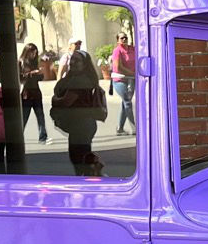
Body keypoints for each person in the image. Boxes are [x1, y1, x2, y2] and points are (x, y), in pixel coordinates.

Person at [50, 42, 106, 176]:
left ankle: (90, 178)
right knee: (82, 156)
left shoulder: (80, 81)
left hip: (82, 125)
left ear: (84, 64)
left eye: (77, 60)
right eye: (72, 59)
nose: (73, 62)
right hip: (81, 125)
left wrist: (54, 100)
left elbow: (65, 101)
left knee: (78, 158)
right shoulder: (73, 78)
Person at [108, 31, 137, 135]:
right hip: (120, 80)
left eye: (125, 38)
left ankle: (120, 128)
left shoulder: (133, 49)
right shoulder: (117, 51)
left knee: (125, 104)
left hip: (132, 79)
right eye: (121, 38)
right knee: (128, 102)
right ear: (117, 40)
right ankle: (134, 127)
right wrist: (133, 73)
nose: (124, 40)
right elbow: (118, 67)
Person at [19, 43, 48, 143]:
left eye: (35, 53)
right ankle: (19, 136)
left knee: (40, 115)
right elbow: (20, 77)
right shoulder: (21, 62)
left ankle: (43, 136)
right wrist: (32, 73)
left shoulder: (35, 62)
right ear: (27, 52)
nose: (34, 55)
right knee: (24, 116)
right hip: (26, 93)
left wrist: (40, 74)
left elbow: (40, 78)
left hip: (36, 91)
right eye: (32, 53)